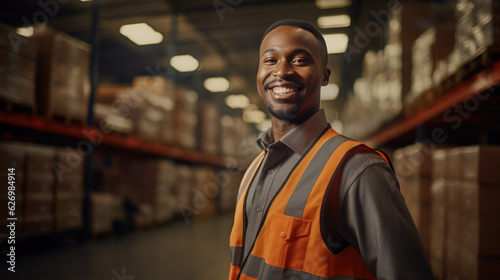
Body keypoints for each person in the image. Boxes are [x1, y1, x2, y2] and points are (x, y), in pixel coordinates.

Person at [228, 19, 433, 280]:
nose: (282, 71)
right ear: (258, 73)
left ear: (325, 75)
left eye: (300, 60)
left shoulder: (356, 170)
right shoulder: (254, 169)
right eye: (270, 61)